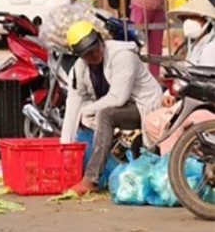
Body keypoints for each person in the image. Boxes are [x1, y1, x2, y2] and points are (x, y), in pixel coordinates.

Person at [61, 20, 163, 195]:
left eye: (95, 48)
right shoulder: (79, 70)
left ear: (101, 41)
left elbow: (118, 97)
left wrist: (88, 110)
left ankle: (91, 179)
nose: (93, 54)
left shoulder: (122, 55)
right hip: (122, 107)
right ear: (80, 56)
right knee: (90, 118)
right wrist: (64, 148)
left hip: (144, 105)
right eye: (87, 53)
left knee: (105, 115)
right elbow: (72, 108)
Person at [144, 0, 215, 154]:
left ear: (205, 20)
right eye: (185, 19)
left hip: (207, 106)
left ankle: (171, 169)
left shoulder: (212, 47)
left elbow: (204, 84)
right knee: (151, 121)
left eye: (192, 18)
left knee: (173, 126)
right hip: (194, 101)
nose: (188, 22)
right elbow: (187, 76)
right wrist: (169, 93)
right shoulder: (194, 46)